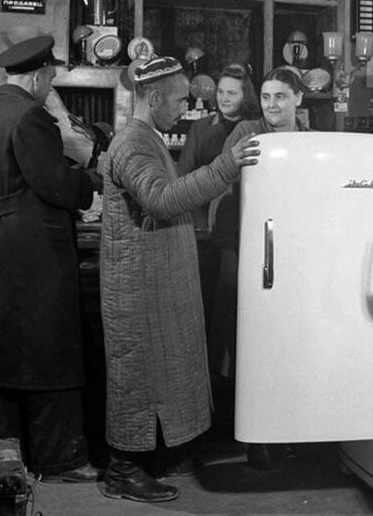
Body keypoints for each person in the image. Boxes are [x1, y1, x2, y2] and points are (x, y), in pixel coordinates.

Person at [99, 55, 260, 504]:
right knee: (136, 373)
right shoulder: (133, 142)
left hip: (152, 280)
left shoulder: (145, 137)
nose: (185, 108)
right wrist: (226, 166)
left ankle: (154, 456)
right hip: (137, 286)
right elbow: (161, 200)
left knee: (157, 370)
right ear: (153, 98)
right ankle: (123, 470)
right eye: (179, 100)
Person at [0, 35, 103, 482]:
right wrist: (91, 182)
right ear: (37, 76)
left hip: (2, 243)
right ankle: (60, 459)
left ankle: (8, 456)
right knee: (52, 348)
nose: (50, 86)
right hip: (37, 249)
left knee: (9, 351)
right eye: (50, 78)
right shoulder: (31, 116)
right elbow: (55, 185)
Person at [210, 66, 310, 469]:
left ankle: (288, 430)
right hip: (246, 247)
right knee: (247, 342)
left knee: (289, 342)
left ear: (298, 98)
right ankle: (254, 436)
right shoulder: (247, 132)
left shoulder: (310, 139)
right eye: (266, 97)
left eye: (280, 97)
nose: (272, 105)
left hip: (294, 252)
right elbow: (224, 182)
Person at [177, 63, 259, 339]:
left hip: (240, 221)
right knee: (207, 299)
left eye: (231, 93)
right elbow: (185, 173)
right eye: (221, 92)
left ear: (245, 96)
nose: (223, 98)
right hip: (204, 225)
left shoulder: (254, 128)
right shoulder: (201, 127)